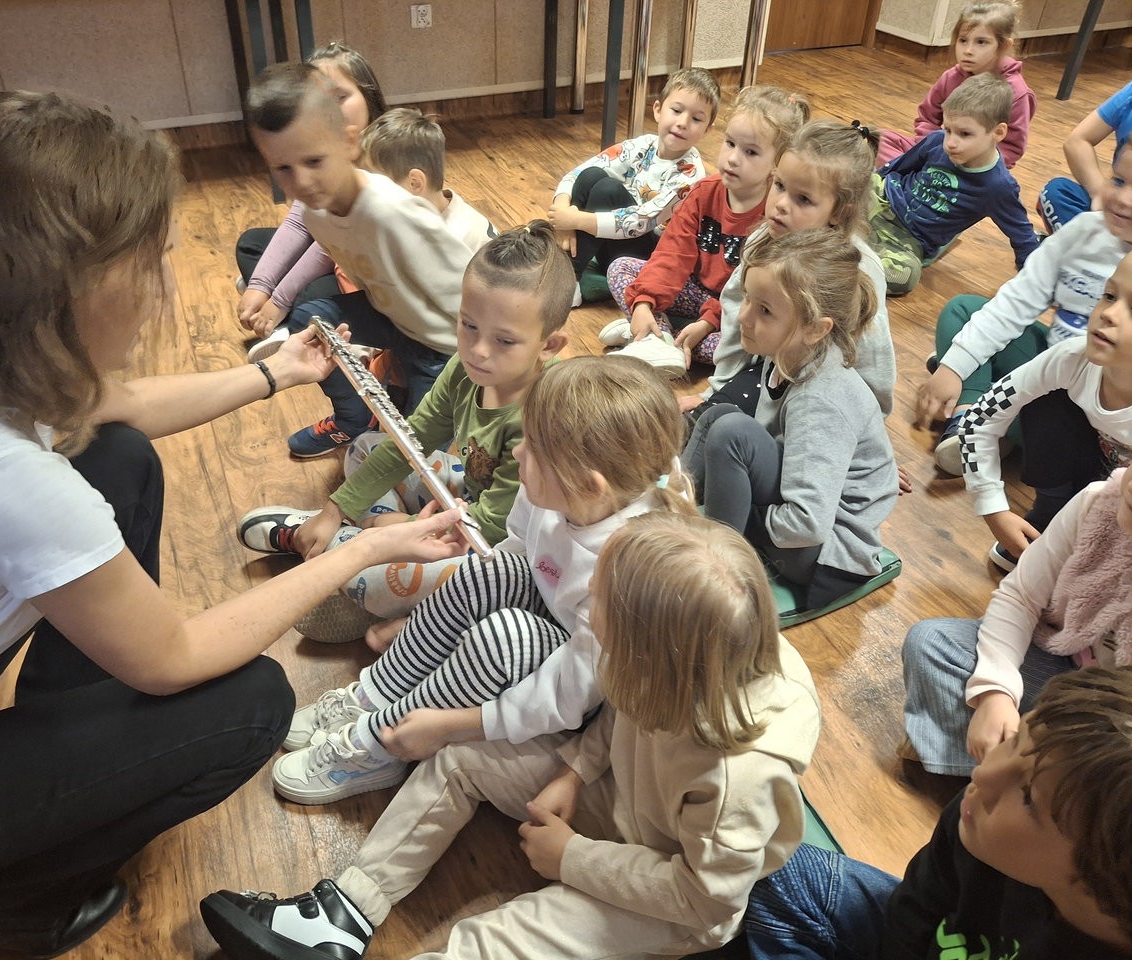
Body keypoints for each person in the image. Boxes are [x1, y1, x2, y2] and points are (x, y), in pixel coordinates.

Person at [0, 90, 468, 960]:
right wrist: (358, 547)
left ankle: (68, 749)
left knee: (118, 457)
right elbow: (173, 656)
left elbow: (122, 405)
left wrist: (278, 373)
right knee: (251, 706)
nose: (164, 290)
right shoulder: (1, 478)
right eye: (152, 262)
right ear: (78, 284)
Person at [201, 512, 822, 960]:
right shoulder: (674, 661)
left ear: (649, 654)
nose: (588, 602)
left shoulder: (739, 776)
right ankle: (344, 914)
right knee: (462, 758)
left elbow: (705, 899)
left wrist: (573, 858)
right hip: (621, 804)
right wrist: (575, 769)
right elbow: (621, 711)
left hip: (672, 892)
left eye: (601, 601)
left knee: (497, 939)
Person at [267, 357, 697, 804]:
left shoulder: (626, 571)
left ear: (588, 486)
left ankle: (383, 743)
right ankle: (374, 697)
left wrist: (456, 725)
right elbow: (515, 554)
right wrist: (430, 624)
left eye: (533, 447)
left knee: (504, 634)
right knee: (486, 571)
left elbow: (570, 695)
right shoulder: (560, 492)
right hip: (550, 629)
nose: (517, 452)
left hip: (578, 696)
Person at [235, 222, 572, 644]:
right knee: (365, 446)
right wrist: (337, 509)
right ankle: (348, 544)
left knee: (377, 567)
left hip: (505, 553)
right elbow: (408, 440)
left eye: (504, 341)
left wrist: (394, 529)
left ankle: (347, 550)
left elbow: (493, 527)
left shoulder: (543, 416)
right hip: (468, 503)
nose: (478, 350)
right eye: (468, 325)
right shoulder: (466, 369)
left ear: (549, 345)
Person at [744, 666, 1132, 959]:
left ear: (1106, 879)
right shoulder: (976, 821)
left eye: (1029, 796)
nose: (982, 773)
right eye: (1016, 739)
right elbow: (913, 911)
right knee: (771, 870)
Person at [243, 62, 475, 459]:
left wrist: (479, 363)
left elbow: (469, 284)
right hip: (395, 320)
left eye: (314, 161)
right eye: (283, 168)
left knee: (412, 453)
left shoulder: (393, 212)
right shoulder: (316, 211)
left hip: (444, 347)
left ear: (350, 143)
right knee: (309, 318)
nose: (301, 182)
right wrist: (265, 290)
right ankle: (354, 419)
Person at [684, 230, 898, 610]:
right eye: (747, 298)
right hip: (802, 528)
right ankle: (678, 504)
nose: (744, 317)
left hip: (825, 556)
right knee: (719, 415)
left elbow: (807, 524)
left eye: (765, 310)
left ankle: (716, 573)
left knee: (732, 432)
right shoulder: (787, 355)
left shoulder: (821, 398)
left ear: (815, 329)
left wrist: (745, 513)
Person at [916, 143, 1132, 481]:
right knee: (962, 311)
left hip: (1093, 421)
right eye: (1118, 180)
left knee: (1051, 424)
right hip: (1050, 369)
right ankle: (967, 415)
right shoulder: (1085, 230)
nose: (1124, 199)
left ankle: (984, 397)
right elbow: (1018, 299)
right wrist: (954, 366)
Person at [902, 467, 1132, 778]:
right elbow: (1020, 596)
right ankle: (1022, 774)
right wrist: (995, 692)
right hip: (1064, 667)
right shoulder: (1096, 501)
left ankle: (1006, 765)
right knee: (932, 641)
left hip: (1115, 718)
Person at [683, 119, 896, 420]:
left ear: (839, 212)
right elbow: (736, 313)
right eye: (780, 185)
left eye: (803, 199)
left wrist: (870, 424)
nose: (781, 204)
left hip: (825, 392)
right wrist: (715, 389)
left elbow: (873, 358)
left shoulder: (859, 271)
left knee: (724, 424)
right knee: (711, 417)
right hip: (769, 369)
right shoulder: (763, 238)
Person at [601, 85, 811, 375]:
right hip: (694, 292)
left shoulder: (775, 214)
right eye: (730, 143)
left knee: (747, 347)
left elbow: (756, 297)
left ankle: (653, 336)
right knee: (621, 268)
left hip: (737, 311)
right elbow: (672, 255)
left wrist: (708, 322)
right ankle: (655, 337)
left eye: (751, 152)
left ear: (779, 164)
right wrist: (644, 303)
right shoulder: (703, 192)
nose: (733, 158)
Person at [946, 250, 1132, 571]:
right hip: (1091, 478)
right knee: (1045, 395)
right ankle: (1050, 511)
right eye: (1109, 295)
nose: (1109, 314)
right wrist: (993, 508)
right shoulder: (1070, 358)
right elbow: (979, 419)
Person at [236, 41, 387, 341]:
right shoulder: (312, 151)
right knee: (251, 245)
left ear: (368, 97)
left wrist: (278, 300)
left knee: (310, 297)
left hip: (367, 280)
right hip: (333, 259)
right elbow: (298, 222)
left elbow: (328, 246)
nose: (329, 111)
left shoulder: (382, 158)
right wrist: (261, 285)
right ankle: (286, 322)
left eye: (340, 97)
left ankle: (289, 323)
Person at [547, 67, 720, 301]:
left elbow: (642, 222)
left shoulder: (690, 175)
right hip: (613, 239)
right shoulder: (643, 144)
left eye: (696, 119)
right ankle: (560, 264)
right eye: (676, 110)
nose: (683, 123)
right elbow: (580, 172)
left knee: (608, 190)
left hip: (647, 257)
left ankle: (570, 281)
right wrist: (563, 214)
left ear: (707, 129)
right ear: (658, 110)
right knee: (591, 175)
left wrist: (576, 220)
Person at [869, 73, 1039, 297]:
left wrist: (1032, 284)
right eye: (948, 129)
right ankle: (851, 241)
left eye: (964, 134)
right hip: (882, 197)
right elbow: (896, 167)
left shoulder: (998, 187)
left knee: (903, 277)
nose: (950, 142)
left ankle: (849, 245)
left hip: (907, 239)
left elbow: (1023, 237)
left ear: (998, 133)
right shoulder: (936, 141)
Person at [876, 1, 1035, 169]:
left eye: (981, 42)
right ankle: (917, 175)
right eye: (963, 40)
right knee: (879, 140)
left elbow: (1011, 148)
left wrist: (973, 163)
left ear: (1004, 45)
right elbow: (928, 118)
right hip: (942, 150)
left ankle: (911, 177)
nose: (968, 50)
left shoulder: (1016, 92)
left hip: (976, 167)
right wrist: (933, 150)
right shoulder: (951, 77)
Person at [358, 107, 497, 253]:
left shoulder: (455, 241)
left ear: (415, 183)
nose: (366, 190)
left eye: (375, 183)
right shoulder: (419, 217)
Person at [1038, 78, 1132, 232]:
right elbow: (1076, 141)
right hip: (1118, 208)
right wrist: (1100, 194)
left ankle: (1080, 243)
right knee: (1056, 192)